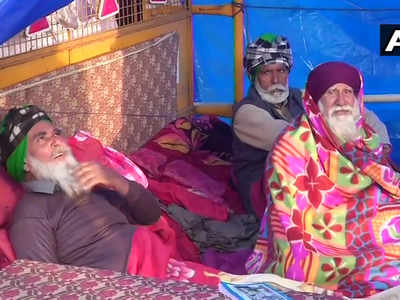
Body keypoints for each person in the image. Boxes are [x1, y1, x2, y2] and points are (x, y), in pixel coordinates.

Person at [246, 62, 400, 298]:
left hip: (365, 217)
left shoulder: (365, 137)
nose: (341, 101)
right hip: (318, 235)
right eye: (331, 92)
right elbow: (291, 215)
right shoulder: (290, 147)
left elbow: (383, 183)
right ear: (313, 101)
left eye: (348, 92)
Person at [232, 33, 392, 219]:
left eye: (281, 71)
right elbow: (297, 142)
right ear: (254, 76)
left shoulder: (299, 97)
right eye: (267, 72)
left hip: (312, 174)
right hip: (267, 187)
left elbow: (364, 115)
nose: (276, 80)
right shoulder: (247, 113)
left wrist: (382, 144)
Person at [1, 105, 163, 274]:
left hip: (157, 262)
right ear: (24, 163)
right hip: (129, 285)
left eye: (56, 133)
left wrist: (117, 181)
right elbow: (45, 285)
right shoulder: (32, 212)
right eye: (41, 138)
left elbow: (151, 216)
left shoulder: (87, 182)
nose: (56, 141)